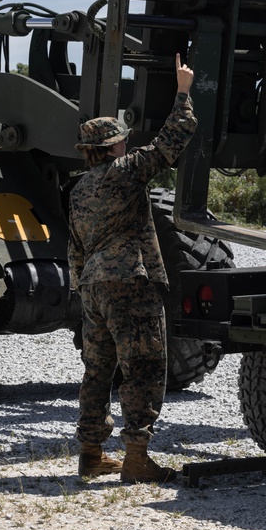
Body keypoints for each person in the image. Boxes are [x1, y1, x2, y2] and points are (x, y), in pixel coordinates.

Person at [68, 53, 197, 483]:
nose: (126, 144)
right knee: (142, 366)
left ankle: (90, 454)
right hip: (129, 282)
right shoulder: (124, 172)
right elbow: (171, 143)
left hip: (93, 288)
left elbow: (75, 247)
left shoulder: (79, 188)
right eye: (121, 140)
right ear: (113, 147)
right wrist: (182, 92)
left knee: (97, 369)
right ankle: (136, 458)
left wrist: (81, 289)